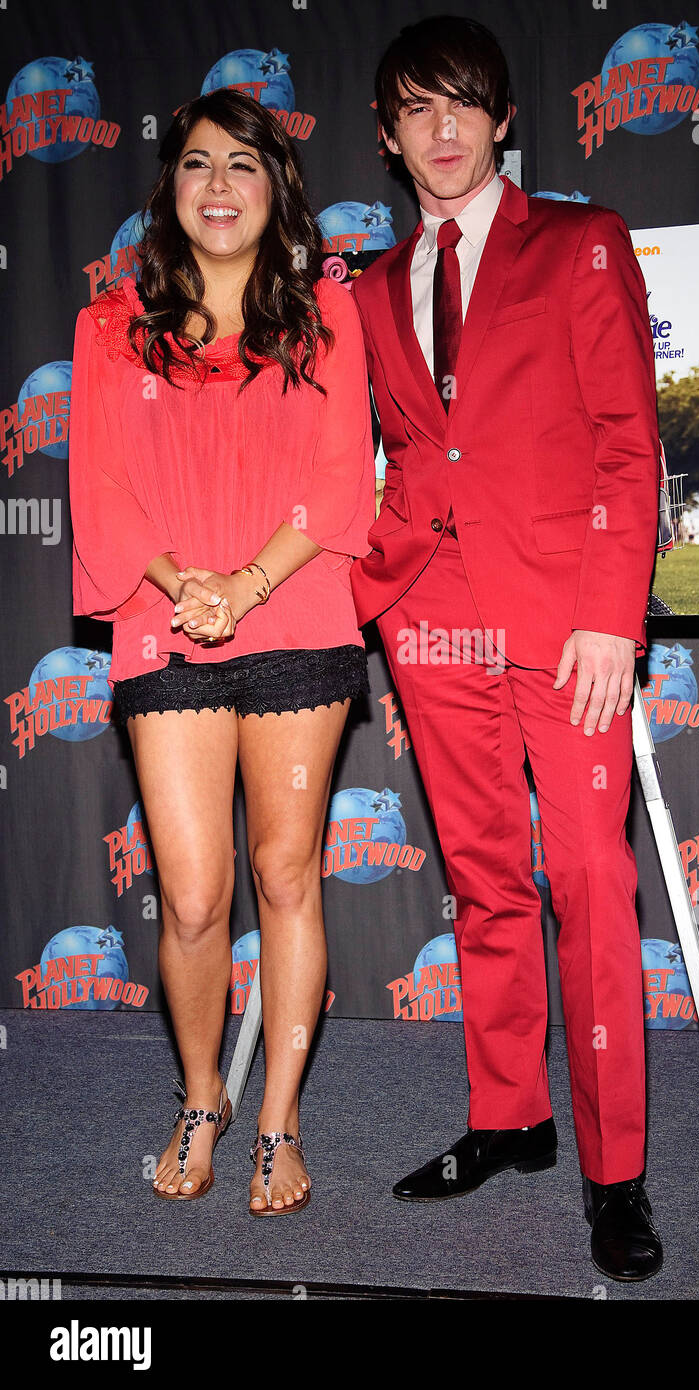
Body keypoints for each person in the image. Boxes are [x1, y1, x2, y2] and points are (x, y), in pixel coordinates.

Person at [349, 16, 663, 1280]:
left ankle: (615, 1172)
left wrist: (610, 614)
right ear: (385, 136)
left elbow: (626, 441)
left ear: (502, 120)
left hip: (563, 617)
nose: (441, 129)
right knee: (483, 875)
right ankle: (506, 1117)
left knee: (588, 884)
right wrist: (369, 588)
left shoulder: (580, 244)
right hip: (431, 614)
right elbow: (408, 453)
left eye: (462, 105)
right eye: (416, 109)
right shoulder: (372, 287)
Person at [68, 89, 374, 1215]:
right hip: (164, 625)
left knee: (285, 877)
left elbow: (343, 480)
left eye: (243, 165)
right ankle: (203, 1097)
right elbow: (98, 486)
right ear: (169, 189)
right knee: (193, 899)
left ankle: (279, 1118)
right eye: (197, 164)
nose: (218, 186)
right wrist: (182, 586)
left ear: (275, 188)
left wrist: (241, 585)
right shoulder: (108, 326)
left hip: (295, 615)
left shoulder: (327, 316)